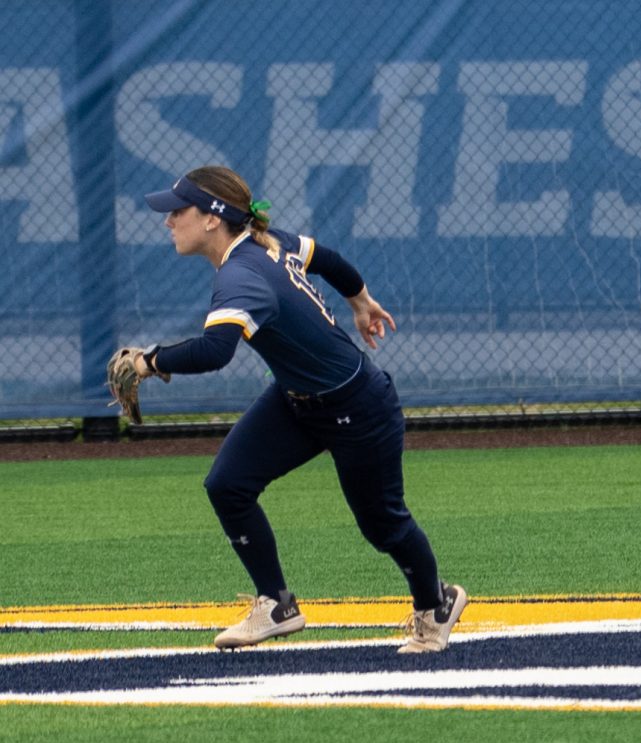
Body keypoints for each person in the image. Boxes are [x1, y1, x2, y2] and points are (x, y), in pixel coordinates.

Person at [136, 165, 467, 652]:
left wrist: (150, 361)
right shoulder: (266, 244)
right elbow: (328, 259)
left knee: (383, 524)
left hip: (359, 406)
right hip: (297, 399)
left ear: (212, 219)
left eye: (178, 211)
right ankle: (276, 605)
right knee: (227, 485)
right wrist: (360, 299)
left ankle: (436, 603)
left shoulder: (243, 274)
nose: (168, 221)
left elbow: (215, 351)